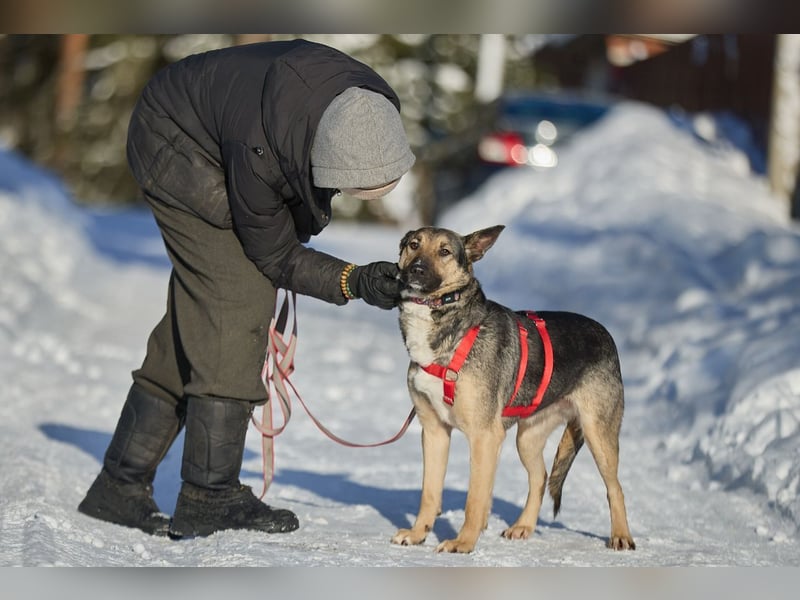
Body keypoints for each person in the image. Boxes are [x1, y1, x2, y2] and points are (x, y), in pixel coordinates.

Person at [77, 39, 416, 539]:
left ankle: (120, 484)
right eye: (341, 187)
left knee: (199, 319)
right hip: (175, 146)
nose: (338, 197)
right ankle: (208, 495)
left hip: (219, 128)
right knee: (237, 301)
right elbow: (275, 255)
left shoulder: (367, 104)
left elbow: (293, 195)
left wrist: (354, 274)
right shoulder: (261, 150)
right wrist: (352, 279)